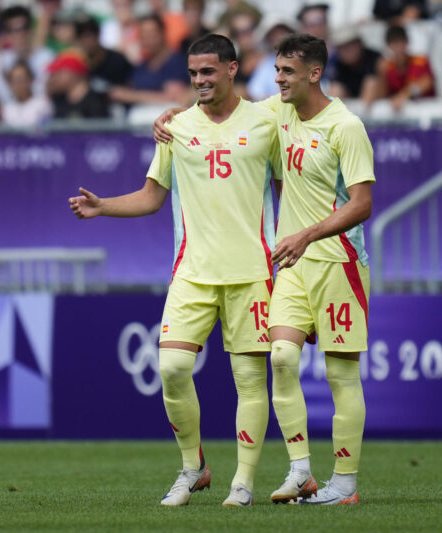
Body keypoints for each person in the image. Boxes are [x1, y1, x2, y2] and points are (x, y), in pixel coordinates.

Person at [154, 32, 375, 506]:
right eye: (275, 71)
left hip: (340, 262)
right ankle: (300, 471)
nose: (276, 81)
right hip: (292, 263)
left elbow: (362, 205)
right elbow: (230, 112)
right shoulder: (277, 112)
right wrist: (173, 115)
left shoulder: (346, 126)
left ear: (314, 74)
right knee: (280, 359)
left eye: (286, 73)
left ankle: (345, 483)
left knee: (341, 375)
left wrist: (306, 234)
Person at [70, 34, 281, 508]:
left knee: (249, 380)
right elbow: (151, 195)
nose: (200, 80)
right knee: (171, 367)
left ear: (232, 69)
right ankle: (194, 466)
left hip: (253, 271)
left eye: (209, 71)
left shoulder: (267, 122)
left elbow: (287, 190)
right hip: (192, 271)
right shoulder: (177, 128)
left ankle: (244, 481)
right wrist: (103, 206)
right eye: (193, 73)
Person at [109, 14, 190, 106]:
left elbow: (174, 97)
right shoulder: (141, 66)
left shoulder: (176, 61)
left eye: (151, 33)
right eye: (143, 34)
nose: (147, 38)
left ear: (162, 33)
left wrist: (131, 96)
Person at [0, 5, 53, 104]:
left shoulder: (47, 58)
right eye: (12, 30)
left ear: (30, 30)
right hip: (8, 115)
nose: (19, 34)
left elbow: (44, 92)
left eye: (23, 28)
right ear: (6, 34)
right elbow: (0, 95)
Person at [378, 24, 435, 111]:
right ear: (388, 47)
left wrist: (404, 95)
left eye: (400, 43)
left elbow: (427, 83)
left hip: (426, 111)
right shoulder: (388, 68)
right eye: (394, 44)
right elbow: (382, 96)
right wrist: (381, 75)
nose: (398, 49)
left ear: (407, 42)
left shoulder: (420, 61)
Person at [74, 14, 133, 93]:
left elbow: (131, 88)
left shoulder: (117, 60)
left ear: (98, 35)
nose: (86, 41)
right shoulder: (77, 64)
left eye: (89, 36)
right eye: (81, 37)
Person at [47, 49, 109, 119]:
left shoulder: (97, 102)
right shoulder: (58, 100)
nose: (54, 78)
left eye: (58, 73)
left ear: (73, 73)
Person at [3, 60, 52, 127]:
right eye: (14, 80)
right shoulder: (7, 108)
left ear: (30, 80)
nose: (18, 84)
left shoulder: (42, 103)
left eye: (21, 79)